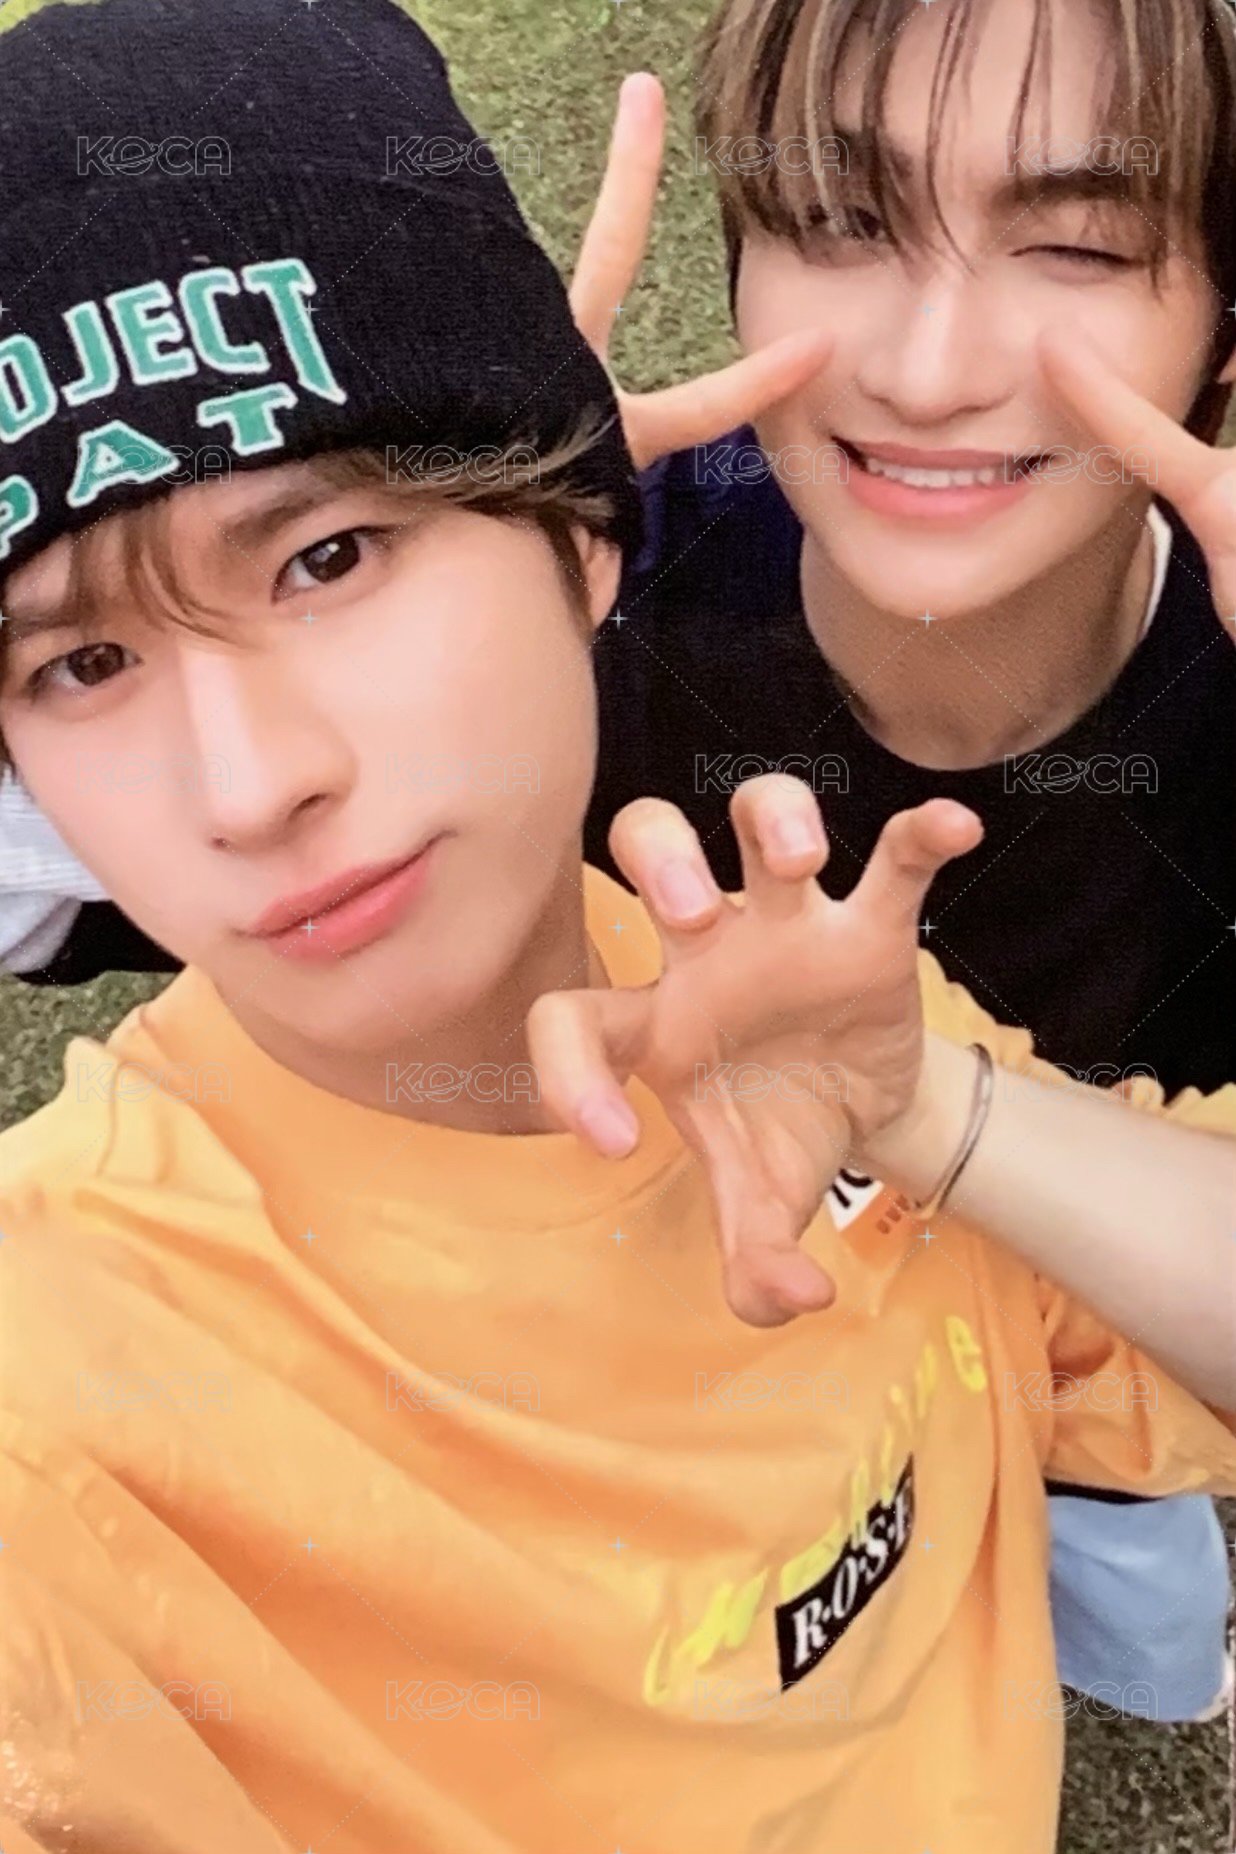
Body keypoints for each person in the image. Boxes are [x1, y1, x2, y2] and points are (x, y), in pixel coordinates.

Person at [0, 9, 1234, 1854]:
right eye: (83, 662)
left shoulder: (817, 1001)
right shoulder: (74, 1397)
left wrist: (933, 1110)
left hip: (1043, 1323)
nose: (249, 784)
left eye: (332, 557)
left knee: (1118, 1579)